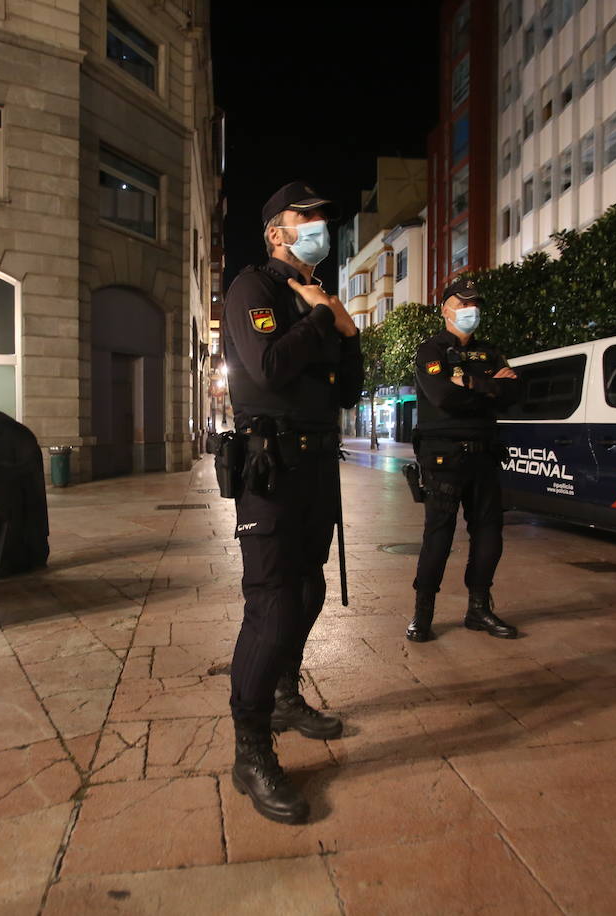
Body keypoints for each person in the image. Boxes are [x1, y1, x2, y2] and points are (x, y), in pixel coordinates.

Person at [220, 180, 363, 824]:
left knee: (309, 592)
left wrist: (348, 332)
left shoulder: (322, 297)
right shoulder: (256, 289)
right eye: (307, 217)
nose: (319, 228)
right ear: (278, 231)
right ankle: (251, 751)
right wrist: (315, 317)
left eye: (323, 218)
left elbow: (350, 393)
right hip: (270, 464)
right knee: (273, 604)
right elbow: (269, 367)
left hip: (316, 465)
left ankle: (283, 693)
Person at [406, 276, 521, 643]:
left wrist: (471, 383)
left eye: (474, 305)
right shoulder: (431, 351)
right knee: (437, 538)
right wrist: (490, 386)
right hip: (444, 458)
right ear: (445, 309)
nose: (470, 311)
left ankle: (478, 607)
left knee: (489, 535)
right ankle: (422, 614)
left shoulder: (491, 352)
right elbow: (443, 398)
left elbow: (513, 394)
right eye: (461, 303)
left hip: (485, 455)